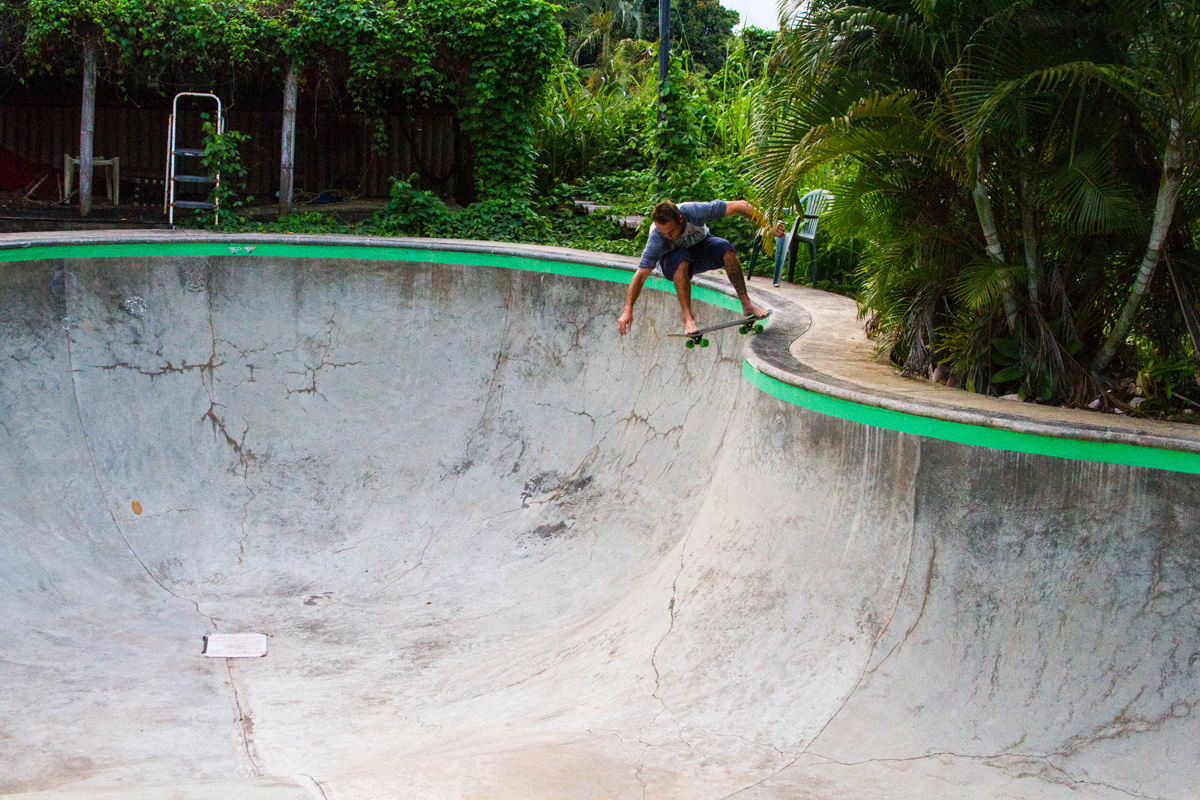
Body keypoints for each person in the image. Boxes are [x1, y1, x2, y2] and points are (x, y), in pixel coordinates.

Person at [617, 199, 782, 336]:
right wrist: (628, 309)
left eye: (671, 232)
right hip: (671, 263)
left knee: (726, 249)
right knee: (681, 260)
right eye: (664, 233)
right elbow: (640, 275)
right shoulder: (657, 239)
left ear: (681, 219)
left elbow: (740, 205)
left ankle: (746, 303)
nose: (668, 237)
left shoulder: (694, 212)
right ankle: (688, 318)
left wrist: (768, 226)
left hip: (700, 247)